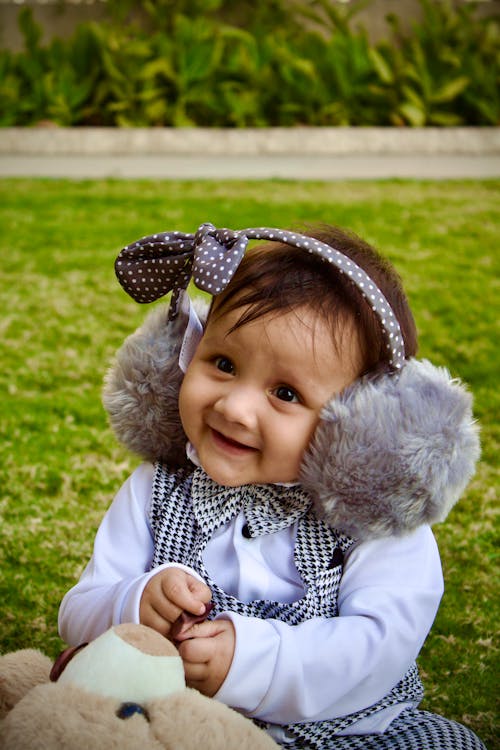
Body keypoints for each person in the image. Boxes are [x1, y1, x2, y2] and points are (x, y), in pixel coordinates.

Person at [59, 223, 484, 749]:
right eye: (223, 363)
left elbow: (377, 648)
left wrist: (251, 661)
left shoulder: (370, 523)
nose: (234, 407)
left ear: (359, 425)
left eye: (285, 392)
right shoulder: (156, 490)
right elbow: (79, 610)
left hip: (342, 733)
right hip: (176, 725)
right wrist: (135, 603)